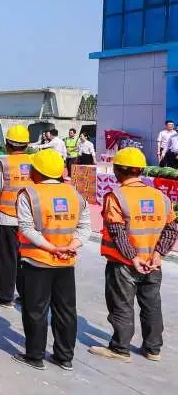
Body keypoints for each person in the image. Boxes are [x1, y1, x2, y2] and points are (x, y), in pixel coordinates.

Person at [89, 148, 178, 363]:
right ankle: (153, 349)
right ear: (140, 170)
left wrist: (132, 257)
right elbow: (171, 228)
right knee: (151, 305)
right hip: (152, 263)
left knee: (121, 305)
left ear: (118, 170)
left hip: (123, 263)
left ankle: (120, 348)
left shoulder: (116, 197)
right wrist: (158, 254)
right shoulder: (161, 197)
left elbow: (117, 231)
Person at [11, 148, 90, 371]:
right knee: (65, 310)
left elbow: (27, 228)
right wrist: (70, 246)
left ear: (37, 171)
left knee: (36, 310)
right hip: (66, 262)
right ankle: (65, 357)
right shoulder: (74, 194)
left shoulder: (29, 194)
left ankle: (35, 355)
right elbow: (85, 227)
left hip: (37, 262)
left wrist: (52, 248)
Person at [0, 124, 32, 307]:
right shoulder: (35, 161)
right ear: (27, 144)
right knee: (27, 258)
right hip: (30, 219)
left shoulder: (2, 163)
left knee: (6, 258)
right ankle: (26, 294)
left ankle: (6, 296)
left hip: (7, 218)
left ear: (7, 144)